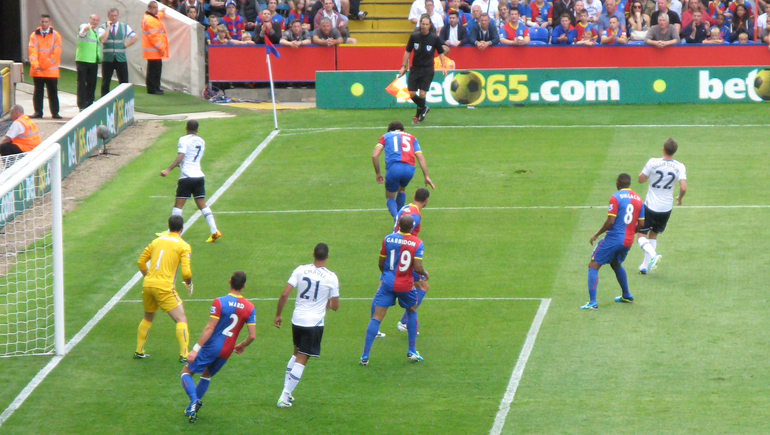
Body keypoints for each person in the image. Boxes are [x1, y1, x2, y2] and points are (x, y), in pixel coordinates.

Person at [180, 271, 256, 423]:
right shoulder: (250, 307)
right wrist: (242, 345)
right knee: (206, 375)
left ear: (229, 282)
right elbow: (252, 335)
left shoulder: (219, 302)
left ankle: (194, 401)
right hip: (227, 350)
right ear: (244, 286)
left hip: (211, 347)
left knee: (185, 373)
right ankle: (191, 409)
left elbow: (209, 328)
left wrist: (195, 349)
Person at [274, 243, 339, 408]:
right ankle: (284, 396)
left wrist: (278, 314)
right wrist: (325, 303)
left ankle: (286, 391)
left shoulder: (300, 270)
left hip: (297, 320)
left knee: (296, 354)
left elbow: (284, 294)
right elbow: (335, 306)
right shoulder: (331, 277)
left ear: (313, 254)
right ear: (327, 256)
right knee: (302, 359)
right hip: (314, 323)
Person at [360, 215, 428, 365]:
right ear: (412, 228)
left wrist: (385, 275)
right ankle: (411, 350)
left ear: (398, 224)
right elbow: (417, 267)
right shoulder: (417, 243)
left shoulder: (388, 239)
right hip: (405, 285)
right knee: (412, 311)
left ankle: (365, 356)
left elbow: (381, 262)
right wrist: (424, 273)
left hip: (387, 283)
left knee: (376, 317)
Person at [581, 173, 644, 310]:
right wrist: (629, 233)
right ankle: (626, 295)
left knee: (593, 265)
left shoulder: (615, 197)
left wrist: (597, 234)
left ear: (618, 183)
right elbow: (641, 224)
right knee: (615, 263)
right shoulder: (639, 199)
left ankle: (592, 302)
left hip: (614, 238)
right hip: (628, 240)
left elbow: (610, 222)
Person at [135, 214, 192, 361]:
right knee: (181, 318)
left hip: (148, 285)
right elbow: (186, 272)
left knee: (148, 317)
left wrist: (148, 277)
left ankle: (139, 350)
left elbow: (141, 262)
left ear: (169, 226)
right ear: (182, 228)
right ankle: (185, 355)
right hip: (164, 288)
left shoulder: (156, 241)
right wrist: (189, 284)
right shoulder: (183, 246)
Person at [159, 120, 222, 243]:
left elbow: (181, 156)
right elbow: (192, 159)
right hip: (198, 176)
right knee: (202, 205)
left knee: (178, 206)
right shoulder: (201, 141)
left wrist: (168, 169)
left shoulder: (183, 139)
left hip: (187, 177)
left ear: (186, 128)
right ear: (197, 130)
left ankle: (170, 233)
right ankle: (214, 231)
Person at [636, 138, 686, 274]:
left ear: (663, 149)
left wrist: (645, 175)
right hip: (666, 208)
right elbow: (683, 187)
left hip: (651, 206)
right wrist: (679, 199)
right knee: (653, 234)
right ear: (674, 151)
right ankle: (644, 267)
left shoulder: (653, 162)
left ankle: (653, 256)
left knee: (641, 235)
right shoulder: (680, 166)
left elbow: (641, 179)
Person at [372, 121, 435, 218]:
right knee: (401, 190)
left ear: (390, 130)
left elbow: (375, 156)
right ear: (402, 130)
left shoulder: (386, 136)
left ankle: (397, 219)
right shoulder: (412, 138)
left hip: (394, 169)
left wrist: (378, 173)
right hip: (409, 170)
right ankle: (400, 219)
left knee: (390, 197)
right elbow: (420, 157)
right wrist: (426, 176)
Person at [392, 188, 430, 334]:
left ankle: (376, 326)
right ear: (426, 200)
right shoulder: (415, 216)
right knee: (423, 287)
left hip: (396, 252)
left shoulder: (405, 208)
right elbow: (405, 236)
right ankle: (404, 322)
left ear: (414, 196)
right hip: (405, 256)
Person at [399, 15, 447, 124]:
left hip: (427, 69)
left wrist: (444, 66)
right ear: (420, 24)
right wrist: (403, 66)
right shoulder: (414, 37)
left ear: (430, 26)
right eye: (423, 24)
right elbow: (408, 51)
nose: (424, 26)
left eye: (426, 24)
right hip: (415, 68)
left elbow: (440, 52)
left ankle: (417, 117)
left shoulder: (434, 38)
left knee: (422, 94)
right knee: (411, 93)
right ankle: (423, 108)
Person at [99, 8, 139, 98]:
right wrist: (108, 28)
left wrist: (126, 45)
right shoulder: (103, 27)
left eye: (115, 16)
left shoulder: (124, 26)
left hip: (120, 58)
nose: (113, 18)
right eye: (112, 16)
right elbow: (103, 40)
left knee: (124, 81)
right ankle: (104, 100)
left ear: (118, 16)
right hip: (108, 59)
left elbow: (135, 37)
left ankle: (126, 99)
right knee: (106, 81)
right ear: (108, 16)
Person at [28, 14, 61, 119]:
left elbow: (56, 54)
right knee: (38, 92)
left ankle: (55, 113)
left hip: (50, 71)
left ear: (49, 23)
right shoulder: (34, 35)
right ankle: (38, 112)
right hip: (38, 70)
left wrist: (42, 66)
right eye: (42, 21)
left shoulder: (56, 36)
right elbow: (32, 52)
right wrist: (36, 65)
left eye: (46, 22)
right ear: (40, 22)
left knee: (53, 92)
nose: (44, 23)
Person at [142, 1, 169, 95]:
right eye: (154, 8)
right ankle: (152, 89)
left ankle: (155, 87)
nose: (156, 10)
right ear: (149, 8)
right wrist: (162, 48)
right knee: (153, 71)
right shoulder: (150, 20)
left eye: (156, 8)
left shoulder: (153, 18)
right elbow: (154, 37)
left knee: (156, 70)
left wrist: (162, 12)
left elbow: (159, 16)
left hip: (154, 51)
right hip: (154, 51)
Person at [76, 14, 102, 111]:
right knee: (81, 83)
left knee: (92, 83)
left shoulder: (96, 32)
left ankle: (89, 102)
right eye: (93, 20)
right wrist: (88, 28)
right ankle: (81, 104)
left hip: (93, 61)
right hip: (82, 60)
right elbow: (82, 32)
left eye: (97, 20)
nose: (95, 22)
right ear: (90, 19)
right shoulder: (84, 26)